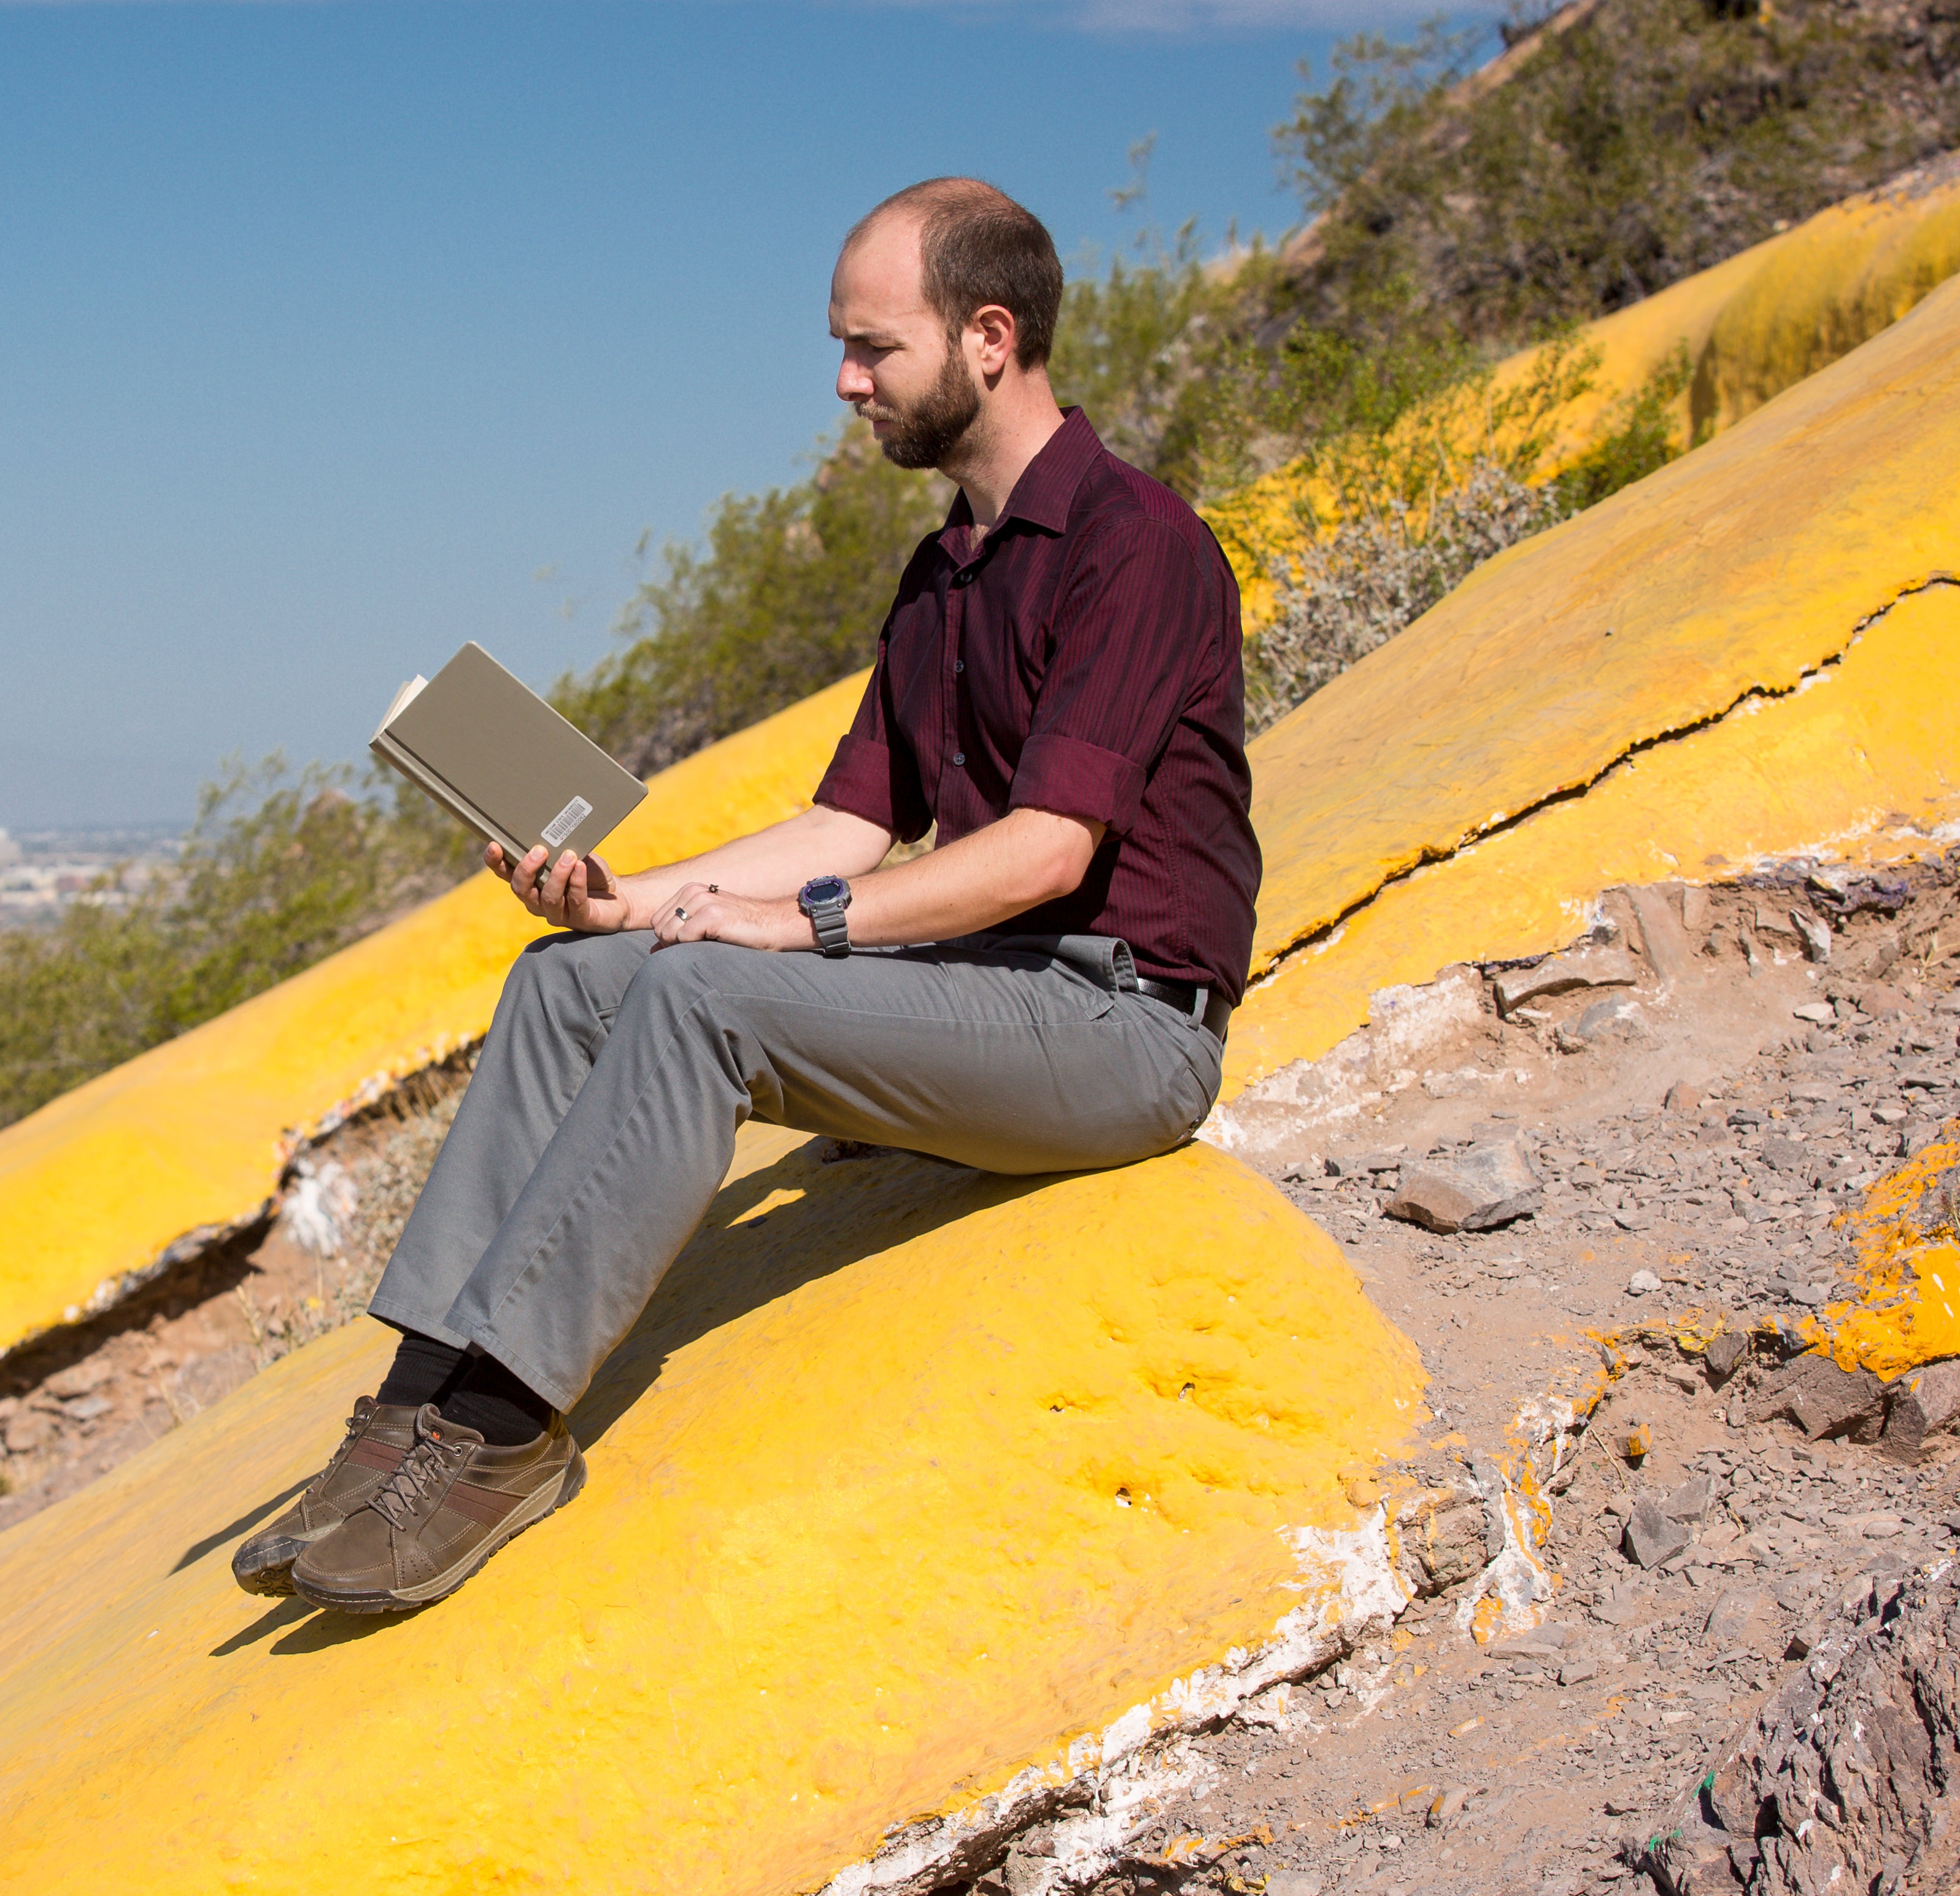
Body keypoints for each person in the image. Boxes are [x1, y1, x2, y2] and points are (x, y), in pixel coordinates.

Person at [233, 176, 1261, 1614]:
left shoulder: (1132, 544)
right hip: (985, 999)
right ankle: (422, 1395)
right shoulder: (945, 571)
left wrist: (796, 928)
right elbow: (850, 819)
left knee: (708, 992)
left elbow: (1045, 851)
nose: (843, 384)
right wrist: (624, 902)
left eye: (870, 348)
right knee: (567, 984)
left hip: (1121, 1025)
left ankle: (503, 1433)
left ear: (986, 337)